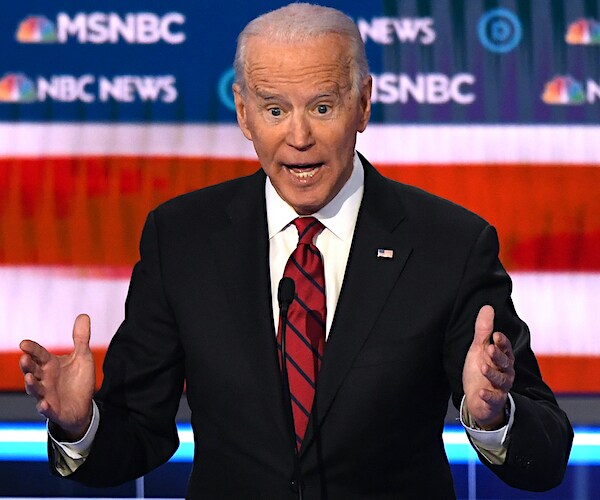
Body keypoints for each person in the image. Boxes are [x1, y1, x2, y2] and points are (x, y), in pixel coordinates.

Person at [19, 3, 572, 499]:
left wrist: (494, 418)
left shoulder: (448, 244)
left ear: (362, 105)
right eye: (275, 109)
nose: (298, 136)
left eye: (323, 107)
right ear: (242, 113)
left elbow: (544, 458)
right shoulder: (181, 238)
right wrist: (79, 425)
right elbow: (138, 433)